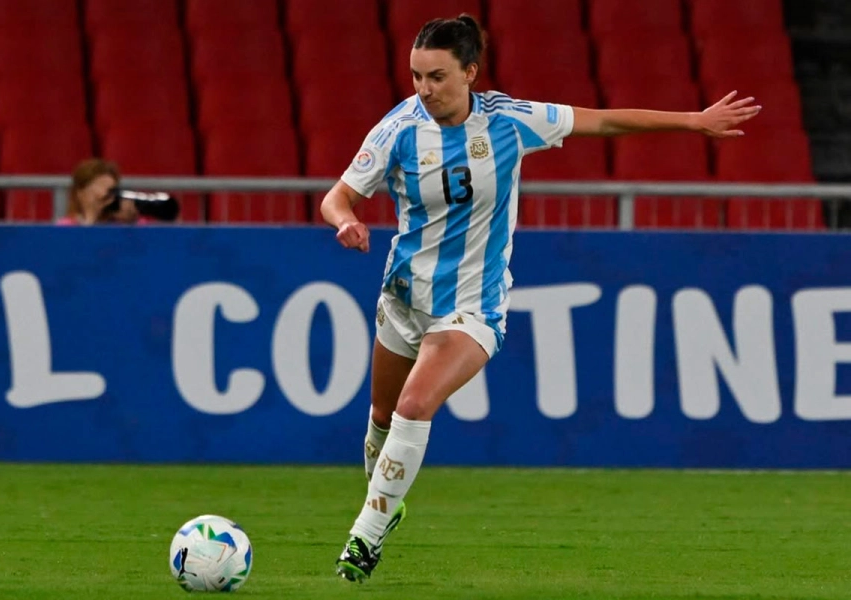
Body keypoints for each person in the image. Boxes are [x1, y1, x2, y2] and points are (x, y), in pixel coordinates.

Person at [320, 14, 761, 583]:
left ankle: (363, 540)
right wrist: (346, 220)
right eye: (416, 76)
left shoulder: (510, 121)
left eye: (436, 76)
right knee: (381, 416)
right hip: (404, 296)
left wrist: (693, 122)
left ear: (470, 73)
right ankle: (388, 502)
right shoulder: (398, 129)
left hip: (472, 306)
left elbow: (602, 122)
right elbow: (338, 195)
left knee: (413, 405)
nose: (424, 89)